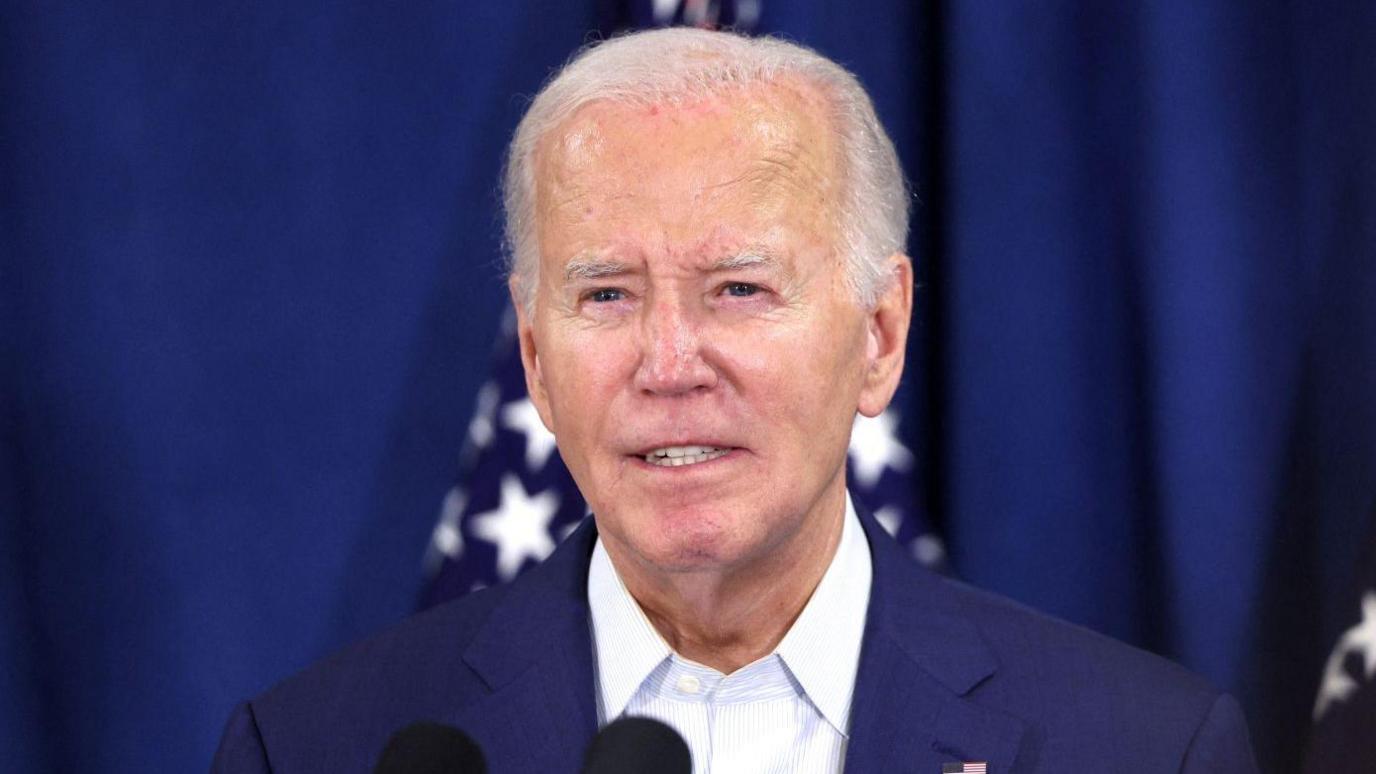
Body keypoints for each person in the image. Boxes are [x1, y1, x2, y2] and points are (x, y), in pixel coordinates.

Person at [212, 28, 1259, 773]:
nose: (668, 363)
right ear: (534, 356)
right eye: (607, 294)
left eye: (739, 289)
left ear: (878, 336)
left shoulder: (1139, 748)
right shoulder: (315, 749)